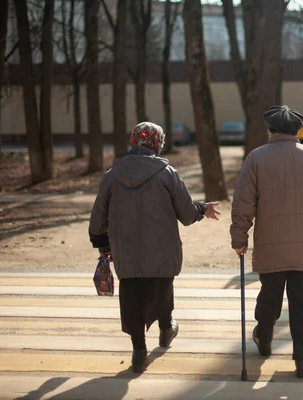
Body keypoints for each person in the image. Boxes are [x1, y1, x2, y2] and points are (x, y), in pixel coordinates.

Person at [89, 122, 220, 373]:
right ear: (158, 143)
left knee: (131, 298)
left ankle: (139, 352)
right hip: (162, 250)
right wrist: (203, 208)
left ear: (133, 141)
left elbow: (98, 217)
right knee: (162, 290)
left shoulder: (113, 174)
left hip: (126, 251)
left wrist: (102, 243)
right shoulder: (167, 172)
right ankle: (166, 329)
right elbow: (187, 214)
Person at [230, 105, 303, 378]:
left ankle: (264, 337)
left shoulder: (256, 158)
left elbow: (243, 204)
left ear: (270, 131)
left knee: (269, 298)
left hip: (270, 248)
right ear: (297, 132)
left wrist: (239, 238)